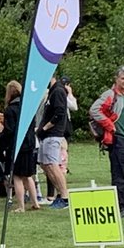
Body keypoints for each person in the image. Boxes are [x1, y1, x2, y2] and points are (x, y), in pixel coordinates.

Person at [89, 66, 124, 217]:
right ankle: (120, 208)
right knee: (120, 175)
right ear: (116, 79)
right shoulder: (111, 94)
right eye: (123, 78)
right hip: (119, 140)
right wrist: (109, 125)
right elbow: (94, 110)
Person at [0, 80, 39, 214]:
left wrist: (1, 139)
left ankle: (21, 206)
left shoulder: (10, 110)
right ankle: (35, 202)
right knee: (28, 175)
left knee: (17, 176)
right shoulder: (28, 107)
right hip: (30, 143)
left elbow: (10, 130)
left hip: (18, 146)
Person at [36, 74, 70, 208]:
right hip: (46, 135)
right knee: (45, 165)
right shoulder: (52, 91)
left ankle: (65, 197)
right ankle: (59, 194)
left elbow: (60, 113)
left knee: (52, 164)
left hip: (53, 134)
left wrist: (45, 127)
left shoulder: (58, 91)